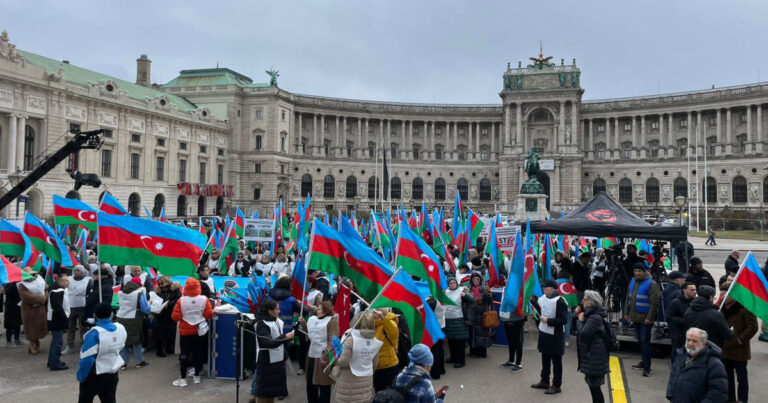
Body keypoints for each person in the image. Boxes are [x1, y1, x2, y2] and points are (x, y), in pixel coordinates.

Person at [77, 303, 127, 403]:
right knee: (109, 399)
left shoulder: (94, 333)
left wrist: (81, 376)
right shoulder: (121, 328)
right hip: (112, 372)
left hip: (94, 375)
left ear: (95, 315)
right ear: (112, 314)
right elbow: (121, 347)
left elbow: (86, 358)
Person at [171, 277, 214, 387]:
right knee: (198, 352)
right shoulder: (204, 299)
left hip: (185, 331)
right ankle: (196, 376)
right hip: (199, 330)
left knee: (184, 353)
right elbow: (209, 314)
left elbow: (175, 317)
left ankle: (183, 378)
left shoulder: (181, 300)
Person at [666, 327, 728, 403]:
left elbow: (718, 392)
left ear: (704, 344)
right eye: (688, 340)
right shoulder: (681, 356)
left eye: (694, 341)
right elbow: (673, 375)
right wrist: (670, 393)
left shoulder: (714, 364)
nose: (690, 343)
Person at [251, 300, 295, 403]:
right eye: (277, 309)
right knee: (262, 392)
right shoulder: (261, 324)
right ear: (270, 311)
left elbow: (277, 340)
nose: (279, 311)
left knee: (272, 392)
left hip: (277, 361)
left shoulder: (277, 321)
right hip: (265, 360)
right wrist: (285, 337)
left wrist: (284, 355)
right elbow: (267, 343)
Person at [334, 310, 382, 403]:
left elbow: (342, 362)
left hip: (348, 384)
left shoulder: (351, 340)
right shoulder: (375, 341)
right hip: (366, 383)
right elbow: (374, 364)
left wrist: (334, 354)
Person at [531, 279, 568, 395]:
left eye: (545, 288)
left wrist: (548, 321)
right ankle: (544, 381)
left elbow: (564, 319)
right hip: (544, 332)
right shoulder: (543, 298)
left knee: (556, 362)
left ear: (551, 289)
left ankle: (557, 385)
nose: (543, 290)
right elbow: (541, 310)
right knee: (545, 358)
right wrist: (531, 302)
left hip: (555, 335)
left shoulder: (560, 301)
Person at [720, 288, 758, 403]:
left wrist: (740, 340)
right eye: (721, 295)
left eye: (725, 295)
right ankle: (730, 398)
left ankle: (742, 399)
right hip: (725, 350)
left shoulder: (745, 308)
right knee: (727, 376)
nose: (722, 297)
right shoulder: (721, 307)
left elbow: (753, 327)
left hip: (739, 351)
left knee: (741, 378)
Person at [297, 300, 339, 403]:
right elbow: (311, 333)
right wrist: (303, 324)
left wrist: (326, 357)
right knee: (311, 386)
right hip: (311, 355)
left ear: (325, 311)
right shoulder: (312, 319)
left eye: (319, 309)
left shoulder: (332, 321)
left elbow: (333, 340)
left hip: (322, 357)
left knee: (324, 386)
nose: (317, 310)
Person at [624, 262, 659, 377]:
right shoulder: (633, 281)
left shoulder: (652, 284)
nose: (637, 273)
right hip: (635, 317)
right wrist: (626, 313)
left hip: (645, 318)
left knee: (645, 341)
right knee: (640, 340)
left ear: (644, 271)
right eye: (635, 271)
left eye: (639, 271)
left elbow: (654, 303)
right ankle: (644, 362)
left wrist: (650, 318)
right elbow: (628, 299)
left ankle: (647, 367)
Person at [576, 290, 610, 403]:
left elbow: (583, 334)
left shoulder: (595, 317)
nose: (582, 302)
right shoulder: (591, 314)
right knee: (593, 387)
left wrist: (580, 321)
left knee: (595, 388)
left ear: (591, 302)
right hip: (592, 356)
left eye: (584, 300)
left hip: (595, 357)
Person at [115, 276, 150, 369]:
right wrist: (149, 305)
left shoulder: (120, 292)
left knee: (123, 341)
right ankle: (139, 361)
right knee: (136, 340)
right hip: (134, 318)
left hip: (121, 317)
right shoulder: (139, 293)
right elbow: (145, 309)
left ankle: (123, 363)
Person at [443, 277, 474, 368]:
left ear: (456, 283)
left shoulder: (462, 290)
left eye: (454, 282)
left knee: (459, 342)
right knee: (451, 341)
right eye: (450, 283)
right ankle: (453, 357)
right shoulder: (445, 292)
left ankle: (460, 361)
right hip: (448, 320)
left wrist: (466, 295)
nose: (452, 284)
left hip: (459, 319)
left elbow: (472, 300)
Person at [18, 267, 48, 355]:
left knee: (38, 326)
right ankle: (31, 344)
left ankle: (37, 341)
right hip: (29, 309)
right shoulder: (22, 284)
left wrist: (45, 296)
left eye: (32, 274)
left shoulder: (40, 279)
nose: (31, 276)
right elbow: (26, 296)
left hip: (40, 308)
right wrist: (41, 298)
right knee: (30, 327)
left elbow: (46, 287)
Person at [64, 265, 92, 355]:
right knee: (70, 327)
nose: (76, 272)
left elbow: (88, 291)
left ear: (82, 272)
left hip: (82, 305)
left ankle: (84, 345)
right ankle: (70, 345)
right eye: (75, 270)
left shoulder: (88, 280)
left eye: (78, 270)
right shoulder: (69, 279)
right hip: (71, 306)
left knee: (83, 327)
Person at [666, 282, 696, 363]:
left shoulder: (696, 302)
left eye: (695, 289)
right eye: (692, 290)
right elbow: (668, 317)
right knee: (677, 354)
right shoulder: (675, 302)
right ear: (684, 291)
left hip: (693, 334)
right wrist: (683, 321)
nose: (695, 292)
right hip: (679, 334)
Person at [372, 308, 399, 392]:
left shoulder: (390, 323)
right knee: (379, 392)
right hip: (377, 366)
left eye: (375, 312)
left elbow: (393, 333)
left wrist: (384, 319)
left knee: (386, 394)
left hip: (388, 366)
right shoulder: (374, 325)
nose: (373, 315)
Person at [153, 276, 181, 357]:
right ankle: (159, 350)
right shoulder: (157, 290)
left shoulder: (175, 289)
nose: (160, 284)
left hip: (171, 312)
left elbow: (178, 299)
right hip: (160, 314)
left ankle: (169, 347)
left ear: (167, 282)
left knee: (171, 331)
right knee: (159, 332)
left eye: (162, 282)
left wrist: (168, 304)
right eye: (159, 283)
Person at [47, 273, 70, 371]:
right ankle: (54, 363)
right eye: (66, 281)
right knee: (58, 342)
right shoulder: (57, 291)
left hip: (56, 319)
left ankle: (52, 360)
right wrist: (65, 319)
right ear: (60, 282)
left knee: (55, 342)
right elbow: (58, 308)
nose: (68, 282)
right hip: (57, 320)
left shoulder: (60, 290)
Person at [500, 302, 526, 373]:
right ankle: (511, 361)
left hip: (517, 319)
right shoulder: (506, 291)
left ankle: (518, 364)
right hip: (507, 318)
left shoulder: (519, 291)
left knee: (518, 342)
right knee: (510, 341)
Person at [4, 279, 22, 347]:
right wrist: (14, 284)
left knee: (18, 323)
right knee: (9, 325)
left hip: (18, 305)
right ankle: (8, 341)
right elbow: (8, 292)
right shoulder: (8, 282)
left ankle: (17, 339)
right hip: (10, 306)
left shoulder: (20, 282)